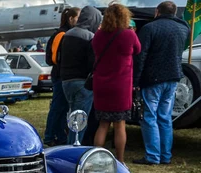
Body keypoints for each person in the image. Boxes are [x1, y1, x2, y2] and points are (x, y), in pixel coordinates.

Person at [133, 1, 189, 165]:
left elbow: (141, 56)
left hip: (153, 78)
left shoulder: (150, 28)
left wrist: (136, 80)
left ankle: (152, 156)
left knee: (150, 117)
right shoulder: (184, 28)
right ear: (175, 12)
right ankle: (166, 156)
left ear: (157, 11)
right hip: (173, 77)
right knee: (165, 118)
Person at [92, 4, 141, 164]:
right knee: (120, 125)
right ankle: (120, 160)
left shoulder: (98, 35)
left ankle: (97, 159)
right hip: (121, 86)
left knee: (103, 124)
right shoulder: (128, 34)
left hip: (101, 85)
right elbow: (138, 50)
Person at [59, 5, 102, 144]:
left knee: (72, 115)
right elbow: (92, 63)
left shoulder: (68, 34)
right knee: (80, 119)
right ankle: (74, 146)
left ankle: (70, 142)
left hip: (66, 80)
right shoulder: (90, 37)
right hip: (82, 82)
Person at [42, 7, 80, 146]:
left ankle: (60, 135)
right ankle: (49, 135)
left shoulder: (66, 33)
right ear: (71, 19)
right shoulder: (61, 34)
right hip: (60, 75)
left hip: (62, 74)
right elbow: (53, 58)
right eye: (78, 18)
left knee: (62, 108)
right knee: (57, 107)